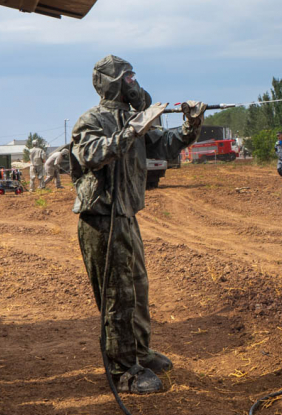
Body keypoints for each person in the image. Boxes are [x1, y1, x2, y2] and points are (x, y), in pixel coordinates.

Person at [70, 55, 205, 394]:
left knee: (138, 290)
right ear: (113, 82)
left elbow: (168, 144)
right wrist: (132, 130)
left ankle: (139, 353)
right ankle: (122, 371)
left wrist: (191, 124)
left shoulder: (135, 120)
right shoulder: (91, 120)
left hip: (127, 217)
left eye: (134, 77)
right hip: (102, 221)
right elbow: (93, 155)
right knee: (117, 296)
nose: (135, 83)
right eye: (128, 78)